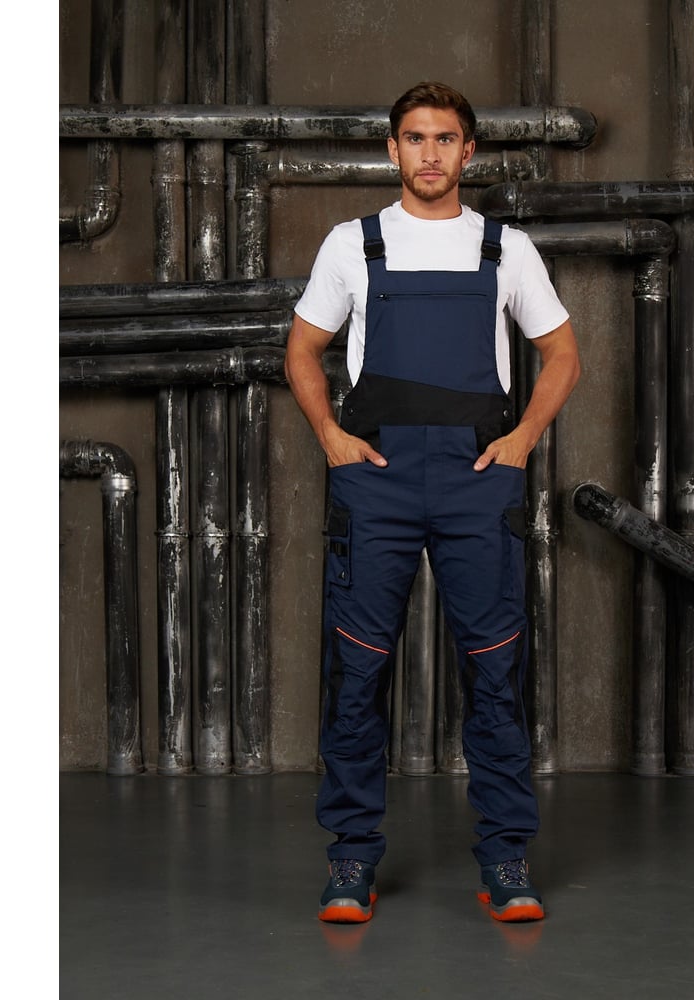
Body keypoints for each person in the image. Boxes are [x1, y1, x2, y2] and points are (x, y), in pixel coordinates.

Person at [284, 81, 581, 924]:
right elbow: (303, 350)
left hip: (476, 480)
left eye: (445, 139)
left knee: (494, 667)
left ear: (468, 152)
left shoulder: (504, 249)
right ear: (393, 150)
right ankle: (351, 858)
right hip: (374, 479)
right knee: (356, 669)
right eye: (414, 138)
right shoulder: (353, 244)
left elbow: (562, 353)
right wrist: (330, 436)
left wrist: (523, 438)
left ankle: (506, 857)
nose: (429, 153)